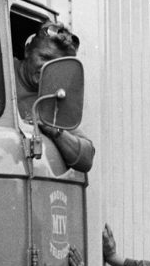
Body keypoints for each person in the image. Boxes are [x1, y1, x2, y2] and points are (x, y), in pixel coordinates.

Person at [15, 22, 95, 172]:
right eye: (44, 57)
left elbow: (87, 157)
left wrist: (54, 130)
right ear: (27, 51)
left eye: (55, 64)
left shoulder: (54, 96)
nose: (47, 68)